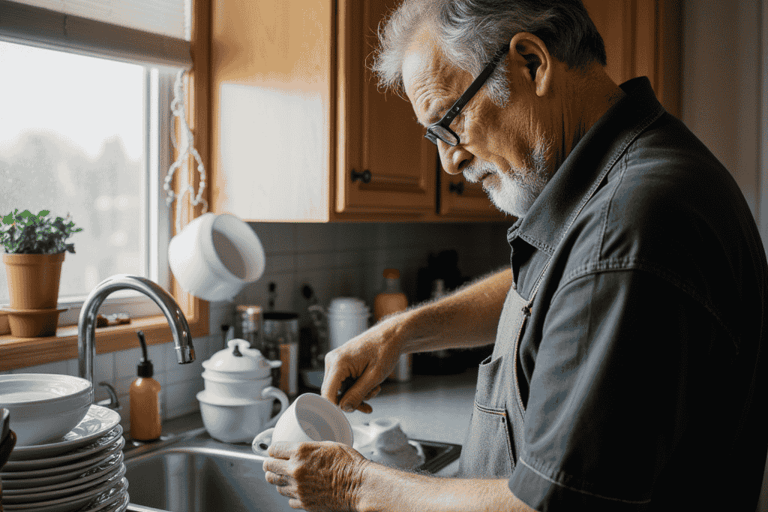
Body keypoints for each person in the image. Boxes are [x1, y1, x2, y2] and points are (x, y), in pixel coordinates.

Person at [262, 1, 768, 510]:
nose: (449, 160)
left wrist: (353, 486)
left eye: (449, 121)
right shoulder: (625, 184)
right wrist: (403, 332)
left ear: (532, 63)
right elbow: (563, 281)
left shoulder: (629, 227)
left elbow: (548, 507)